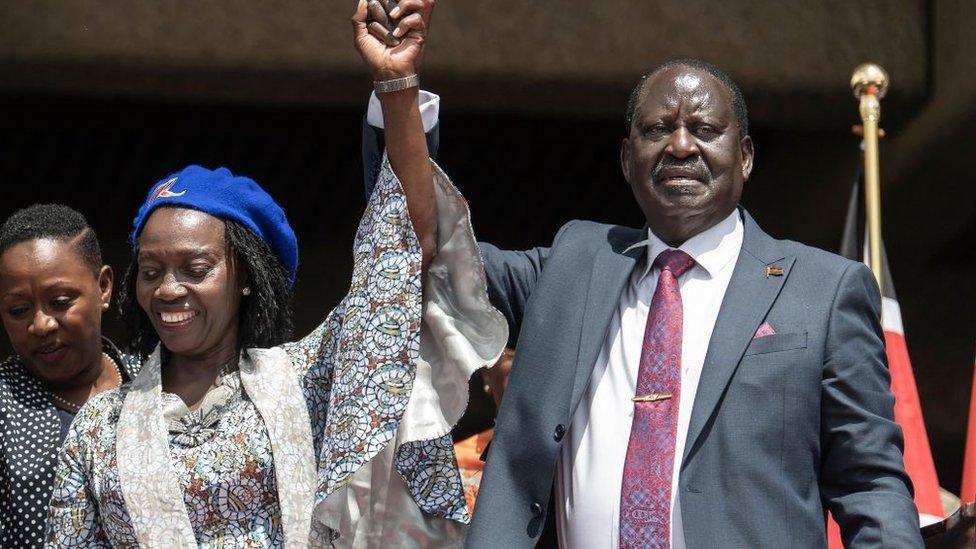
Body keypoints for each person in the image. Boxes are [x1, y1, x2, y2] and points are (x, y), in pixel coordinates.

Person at [362, 58, 924, 546]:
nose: (681, 145)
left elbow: (870, 485)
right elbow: (423, 253)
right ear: (628, 160)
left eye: (704, 128)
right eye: (658, 129)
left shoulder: (822, 290)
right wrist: (397, 86)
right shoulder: (574, 264)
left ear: (746, 156)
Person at [44, 0, 506, 546]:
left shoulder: (309, 377)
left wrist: (397, 85)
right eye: (150, 271)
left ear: (244, 275)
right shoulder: (100, 428)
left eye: (196, 267)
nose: (169, 289)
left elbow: (402, 257)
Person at [0, 205, 140, 547]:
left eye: (61, 301)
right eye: (19, 311)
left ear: (103, 286)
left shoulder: (161, 382)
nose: (41, 325)